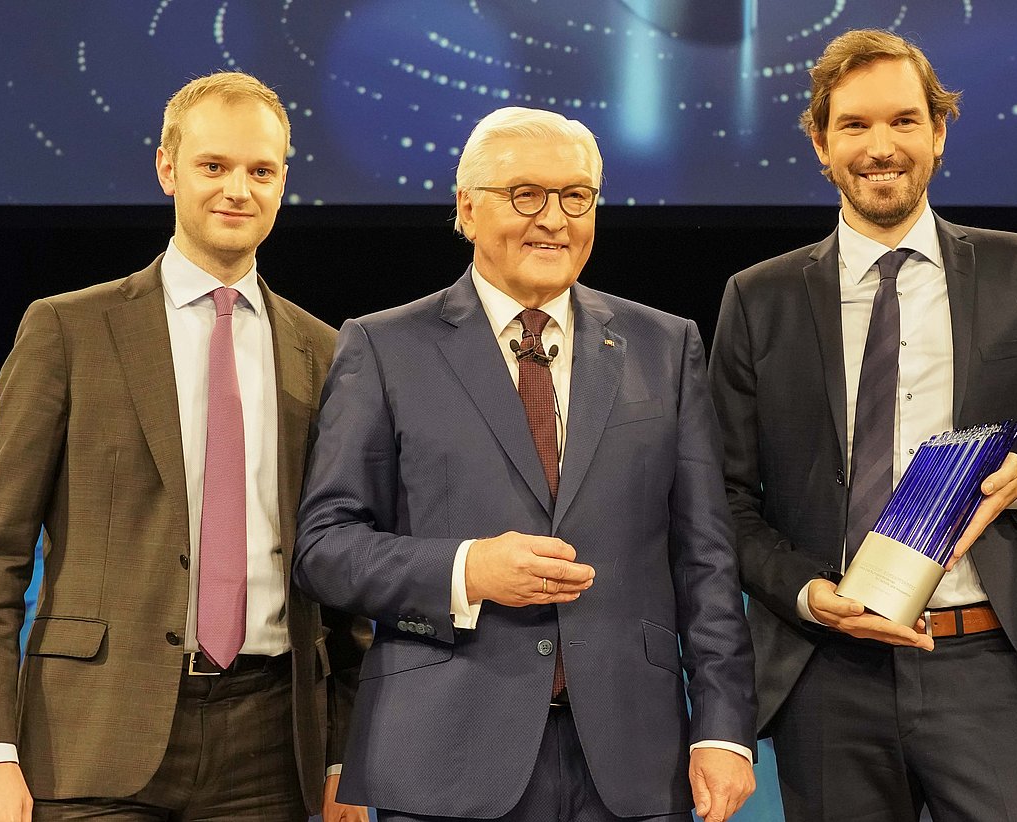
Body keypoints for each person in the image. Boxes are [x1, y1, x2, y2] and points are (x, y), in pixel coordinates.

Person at [293, 106, 757, 822]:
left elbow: (706, 559)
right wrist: (466, 570)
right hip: (444, 754)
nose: (554, 219)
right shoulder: (384, 348)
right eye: (526, 195)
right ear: (467, 209)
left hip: (633, 757)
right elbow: (325, 549)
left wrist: (725, 727)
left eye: (576, 197)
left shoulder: (666, 346)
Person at [709, 28, 1017, 821]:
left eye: (904, 121)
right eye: (854, 126)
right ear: (821, 145)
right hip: (827, 672)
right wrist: (804, 591)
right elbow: (720, 499)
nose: (881, 147)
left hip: (988, 665)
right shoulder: (757, 300)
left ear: (938, 134)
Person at [0, 71, 369, 821]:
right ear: (168, 168)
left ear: (282, 182)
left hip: (274, 747)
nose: (239, 189)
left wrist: (344, 757)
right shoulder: (68, 330)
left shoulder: (327, 352)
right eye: (215, 166)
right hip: (93, 735)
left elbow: (342, 572)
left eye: (260, 170)